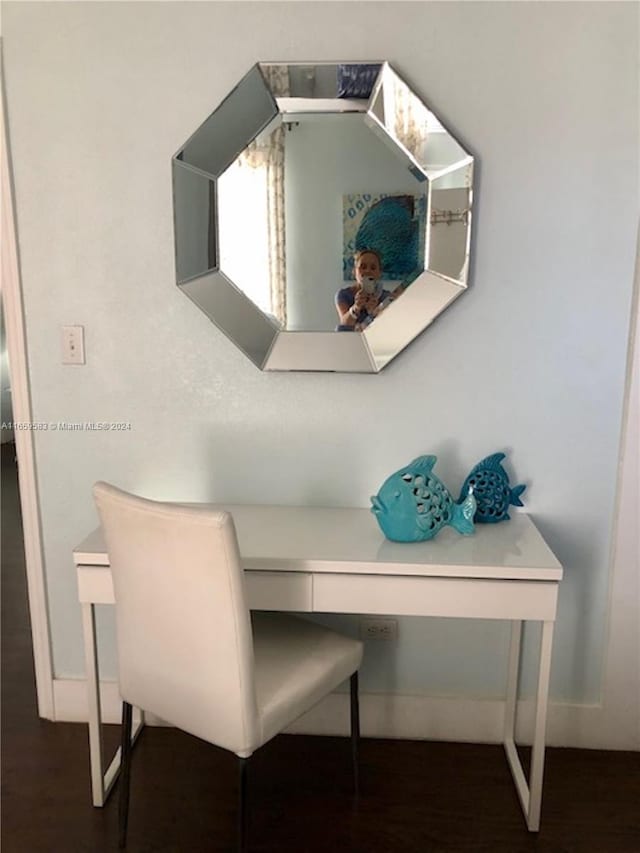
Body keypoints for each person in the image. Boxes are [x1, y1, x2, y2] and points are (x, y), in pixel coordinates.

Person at [335, 249, 402, 331]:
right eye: (363, 267)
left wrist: (374, 311)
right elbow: (344, 324)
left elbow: (390, 327)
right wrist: (356, 308)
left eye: (373, 268)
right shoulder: (343, 294)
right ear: (354, 271)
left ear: (379, 273)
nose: (368, 271)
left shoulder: (387, 297)